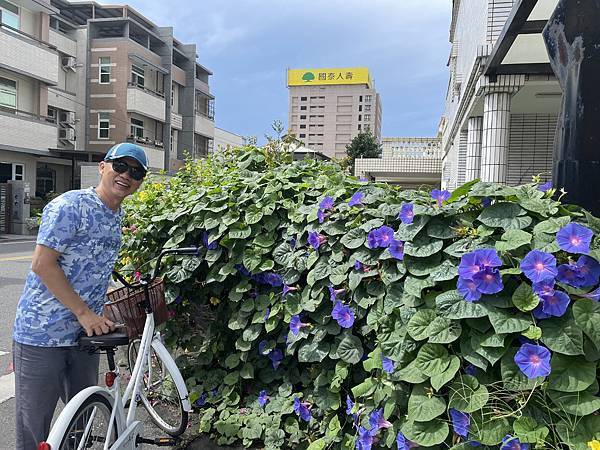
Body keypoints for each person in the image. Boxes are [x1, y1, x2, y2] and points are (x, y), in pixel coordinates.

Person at [12, 143, 148, 450]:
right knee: (35, 431)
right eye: (121, 166)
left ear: (140, 182)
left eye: (136, 172)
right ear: (103, 166)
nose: (127, 175)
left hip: (85, 336)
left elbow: (89, 267)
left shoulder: (115, 216)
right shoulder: (69, 206)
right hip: (42, 335)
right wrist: (84, 312)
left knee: (81, 423)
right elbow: (43, 264)